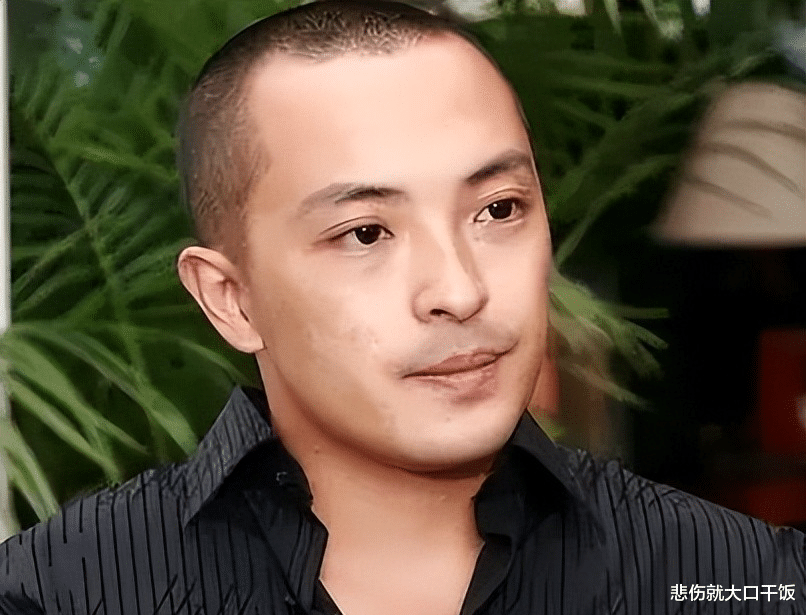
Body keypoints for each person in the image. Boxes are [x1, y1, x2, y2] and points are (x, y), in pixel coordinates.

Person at [1, 1, 804, 613]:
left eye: (498, 210)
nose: (459, 290)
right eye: (365, 233)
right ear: (231, 298)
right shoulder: (61, 591)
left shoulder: (732, 578)